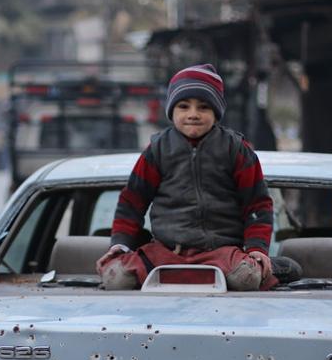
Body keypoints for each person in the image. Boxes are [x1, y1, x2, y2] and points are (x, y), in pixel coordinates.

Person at [96, 64, 276, 291]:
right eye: (183, 106)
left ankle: (276, 267)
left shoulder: (236, 149)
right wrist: (120, 245)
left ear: (216, 113)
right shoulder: (157, 149)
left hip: (221, 251)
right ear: (171, 111)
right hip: (166, 252)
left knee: (246, 278)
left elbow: (257, 205)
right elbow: (132, 202)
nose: (193, 114)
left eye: (203, 107)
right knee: (116, 278)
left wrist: (256, 249)